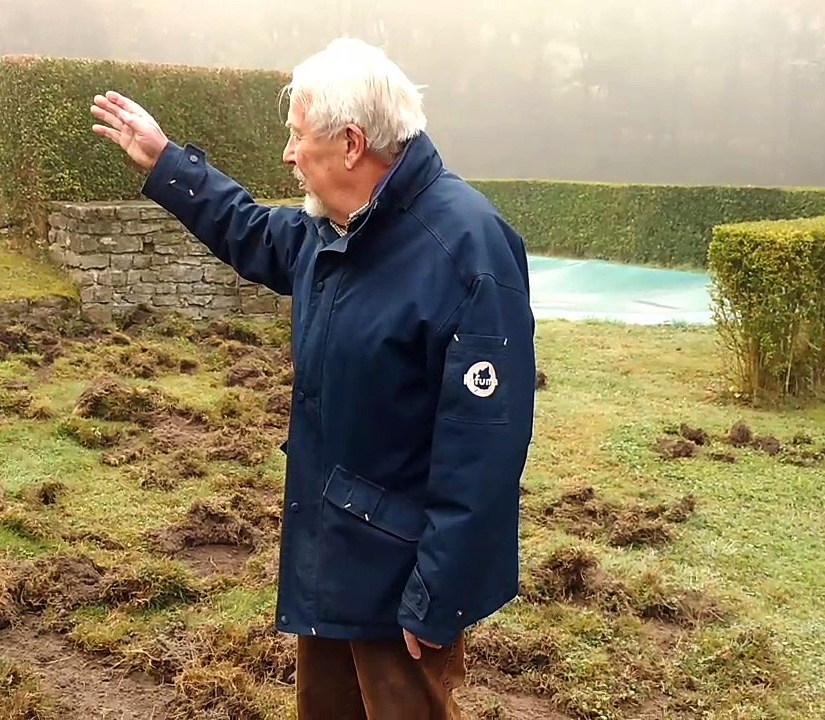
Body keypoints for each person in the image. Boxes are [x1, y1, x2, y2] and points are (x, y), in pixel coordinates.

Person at [91, 37, 536, 720]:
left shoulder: (466, 249)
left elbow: (485, 450)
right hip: (332, 554)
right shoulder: (336, 231)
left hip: (403, 590)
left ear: (352, 143)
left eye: (298, 136)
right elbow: (252, 233)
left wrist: (437, 599)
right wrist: (167, 163)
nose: (288, 154)